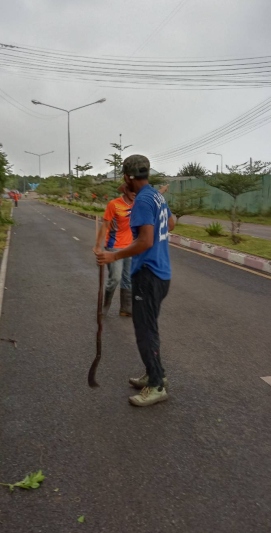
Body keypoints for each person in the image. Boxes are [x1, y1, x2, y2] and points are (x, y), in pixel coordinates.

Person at [95, 156, 174, 407]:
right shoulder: (156, 196)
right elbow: (171, 222)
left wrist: (113, 255)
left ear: (127, 177)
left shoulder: (141, 200)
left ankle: (157, 386)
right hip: (162, 272)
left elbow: (145, 242)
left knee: (144, 331)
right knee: (150, 327)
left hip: (148, 275)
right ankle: (155, 373)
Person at [93, 183, 135, 317]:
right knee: (115, 277)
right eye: (132, 190)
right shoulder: (114, 204)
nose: (135, 192)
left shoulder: (138, 204)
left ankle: (125, 308)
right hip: (113, 246)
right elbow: (105, 225)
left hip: (131, 247)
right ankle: (105, 306)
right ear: (126, 190)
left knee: (128, 278)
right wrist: (98, 246)